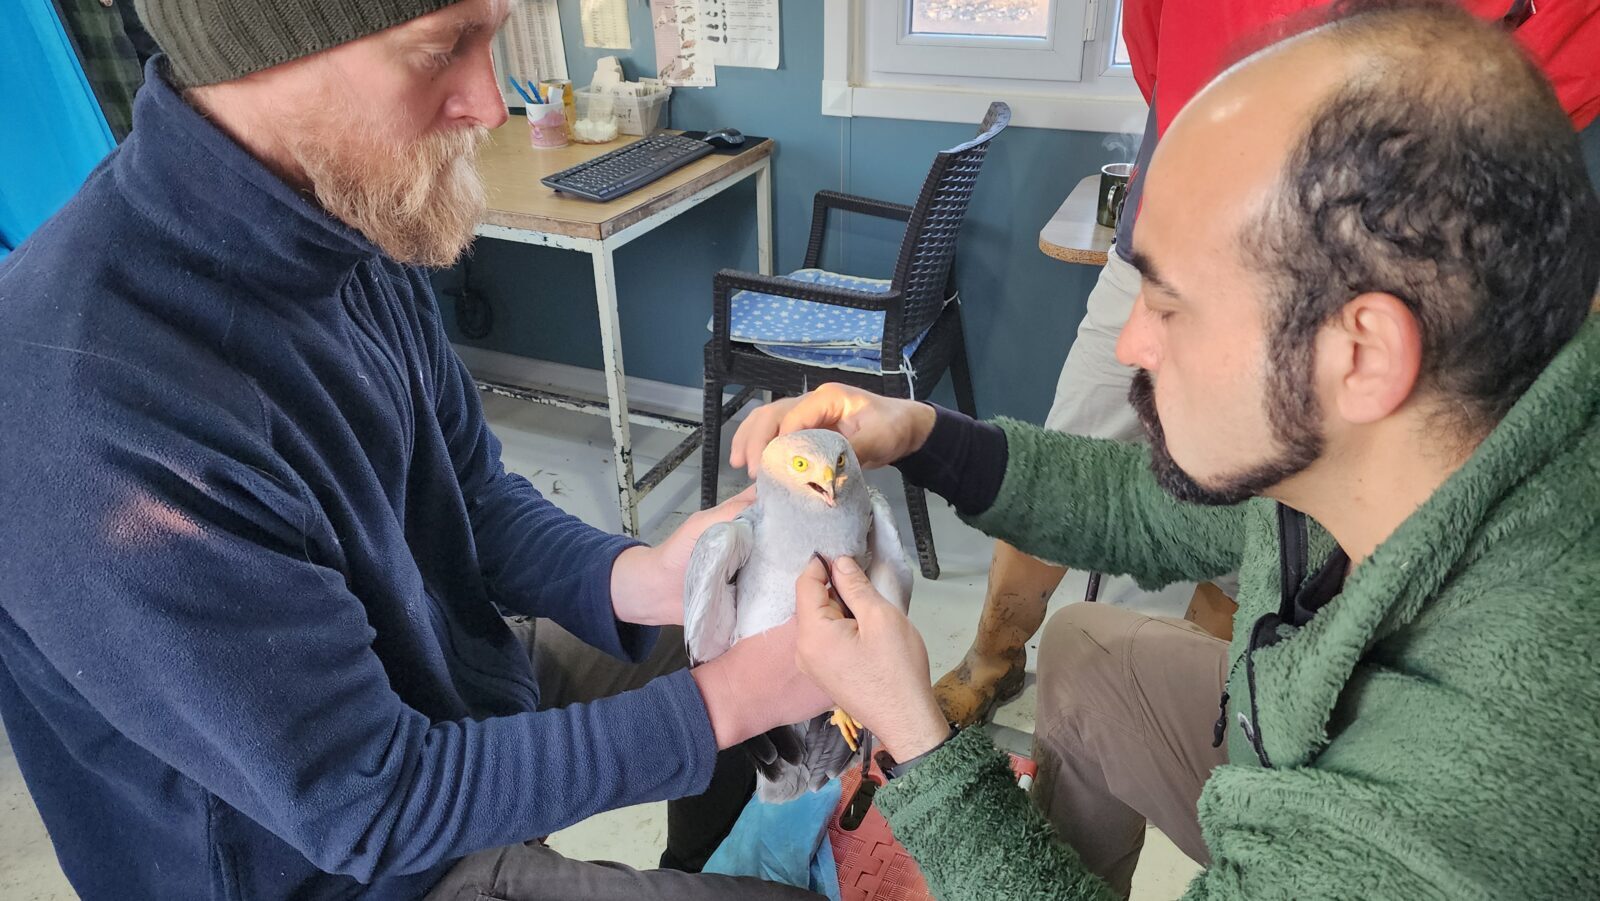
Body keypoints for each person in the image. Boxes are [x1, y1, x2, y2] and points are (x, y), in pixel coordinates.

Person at [731, 2, 1600, 898]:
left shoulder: (1476, 780)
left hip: (1363, 810)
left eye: (1173, 305)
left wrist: (915, 740)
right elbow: (1144, 506)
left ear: (1363, 353)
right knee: (1085, 652)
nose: (1130, 343)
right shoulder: (1416, 429)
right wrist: (922, 434)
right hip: (1280, 734)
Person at [0, 1, 828, 898]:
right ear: (257, 59)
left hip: (443, 693)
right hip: (342, 864)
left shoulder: (346, 214)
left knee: (720, 629)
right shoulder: (90, 413)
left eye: (490, 36)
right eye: (440, 51)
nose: (491, 101)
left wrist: (649, 578)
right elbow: (375, 802)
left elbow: (469, 497)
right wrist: (735, 700)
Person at [933, 0, 1600, 728]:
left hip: (1320, 272)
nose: (1135, 346)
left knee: (1262, 519)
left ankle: (1207, 714)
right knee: (1087, 444)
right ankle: (992, 658)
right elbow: (1155, 47)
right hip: (1182, 226)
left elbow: (1528, 99)